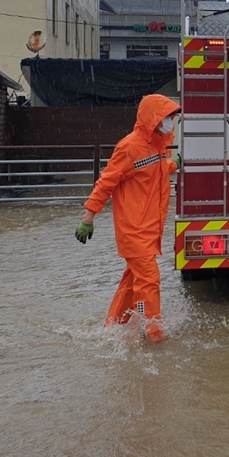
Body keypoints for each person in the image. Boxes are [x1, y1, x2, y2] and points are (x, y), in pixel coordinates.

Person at [75, 94, 181, 342]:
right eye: (167, 117)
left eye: (172, 117)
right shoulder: (129, 146)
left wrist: (173, 164)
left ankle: (113, 326)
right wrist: (88, 216)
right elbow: (106, 183)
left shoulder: (157, 146)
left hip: (148, 230)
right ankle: (151, 332)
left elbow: (152, 170)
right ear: (152, 118)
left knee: (133, 280)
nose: (171, 121)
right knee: (148, 281)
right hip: (134, 230)